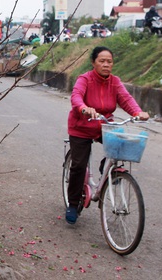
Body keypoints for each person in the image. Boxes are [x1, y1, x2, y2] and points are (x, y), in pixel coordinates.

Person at [65, 46, 149, 225]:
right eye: (102, 61)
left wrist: (138, 112)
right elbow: (76, 96)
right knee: (79, 165)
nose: (106, 64)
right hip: (82, 126)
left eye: (109, 61)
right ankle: (73, 204)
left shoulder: (115, 82)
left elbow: (126, 99)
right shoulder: (85, 79)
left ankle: (108, 167)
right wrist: (83, 108)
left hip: (104, 125)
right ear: (93, 63)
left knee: (121, 144)